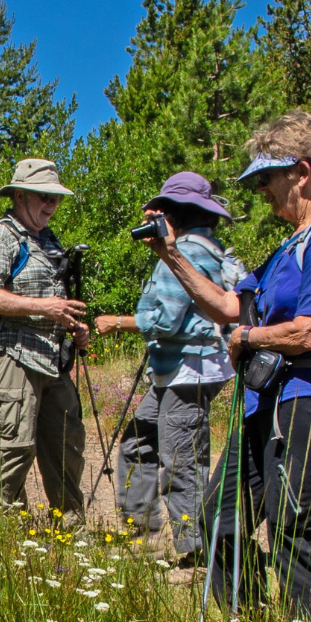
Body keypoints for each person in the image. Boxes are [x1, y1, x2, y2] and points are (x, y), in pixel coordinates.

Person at [140, 111, 311, 622]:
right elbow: (225, 305)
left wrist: (247, 338)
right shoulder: (289, 247)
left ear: (302, 173)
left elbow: (310, 330)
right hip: (271, 398)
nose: (261, 189)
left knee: (293, 523)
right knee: (223, 513)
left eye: (267, 177)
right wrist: (170, 253)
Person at [94, 173, 247, 571]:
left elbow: (166, 319)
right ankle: (141, 535)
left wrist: (121, 322)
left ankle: (196, 556)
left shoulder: (191, 251)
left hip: (188, 370)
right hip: (180, 370)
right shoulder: (201, 247)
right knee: (136, 445)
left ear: (178, 213)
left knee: (181, 461)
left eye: (162, 211)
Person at [0, 158, 89, 523]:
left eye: (56, 198)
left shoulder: (48, 240)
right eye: (43, 196)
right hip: (8, 355)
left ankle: (71, 532)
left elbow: (53, 302)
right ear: (19, 196)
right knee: (14, 447)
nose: (51, 205)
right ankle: (6, 538)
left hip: (51, 358)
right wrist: (46, 308)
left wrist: (71, 327)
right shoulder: (0, 235)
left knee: (66, 445)